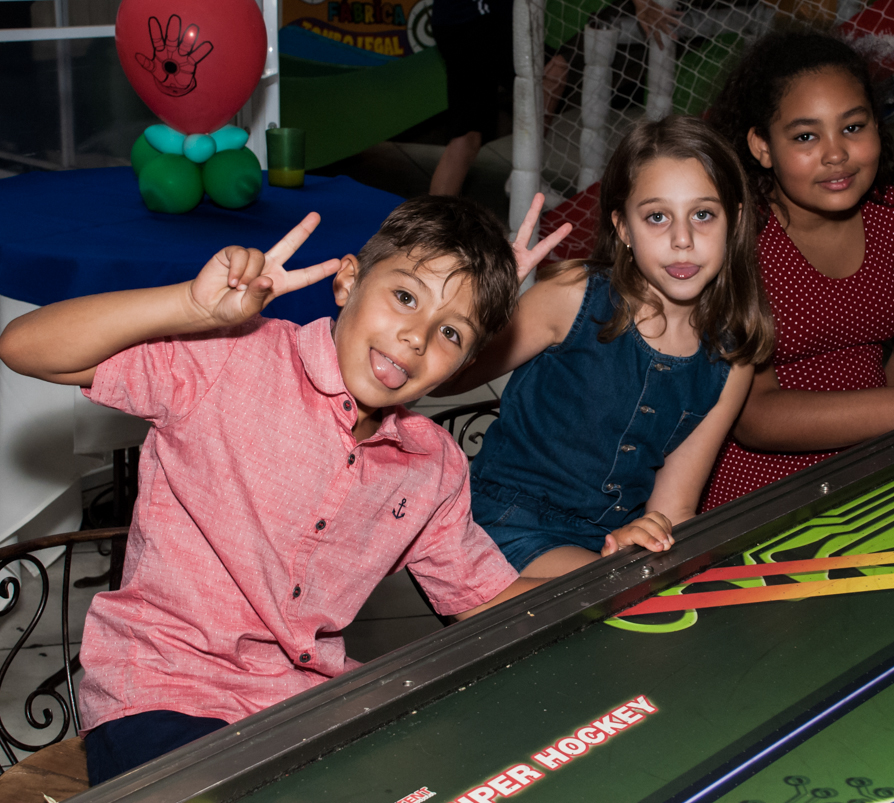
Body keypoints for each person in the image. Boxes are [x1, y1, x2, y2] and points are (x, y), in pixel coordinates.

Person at [0, 196, 564, 785]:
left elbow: (483, 598)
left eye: (451, 332)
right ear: (348, 280)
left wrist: (618, 569)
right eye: (404, 297)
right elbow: (23, 347)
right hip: (165, 688)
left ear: (468, 360)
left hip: (308, 705)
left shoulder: (432, 465)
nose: (417, 336)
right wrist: (190, 306)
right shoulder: (233, 357)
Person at [433, 115, 774, 577]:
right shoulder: (573, 295)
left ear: (734, 222)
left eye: (703, 214)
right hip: (502, 521)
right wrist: (475, 308)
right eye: (657, 216)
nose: (682, 240)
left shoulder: (731, 359)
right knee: (612, 597)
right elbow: (444, 380)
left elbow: (675, 507)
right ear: (624, 228)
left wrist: (658, 545)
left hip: (612, 543)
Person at [702, 29, 894, 511]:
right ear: (762, 147)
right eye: (806, 136)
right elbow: (753, 415)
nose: (835, 154)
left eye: (853, 128)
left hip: (873, 461)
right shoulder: (737, 241)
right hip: (756, 489)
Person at [429, 0, 513, 195]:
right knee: (465, 137)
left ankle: (527, 175)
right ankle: (525, 176)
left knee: (468, 137)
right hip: (470, 22)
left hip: (472, 22)